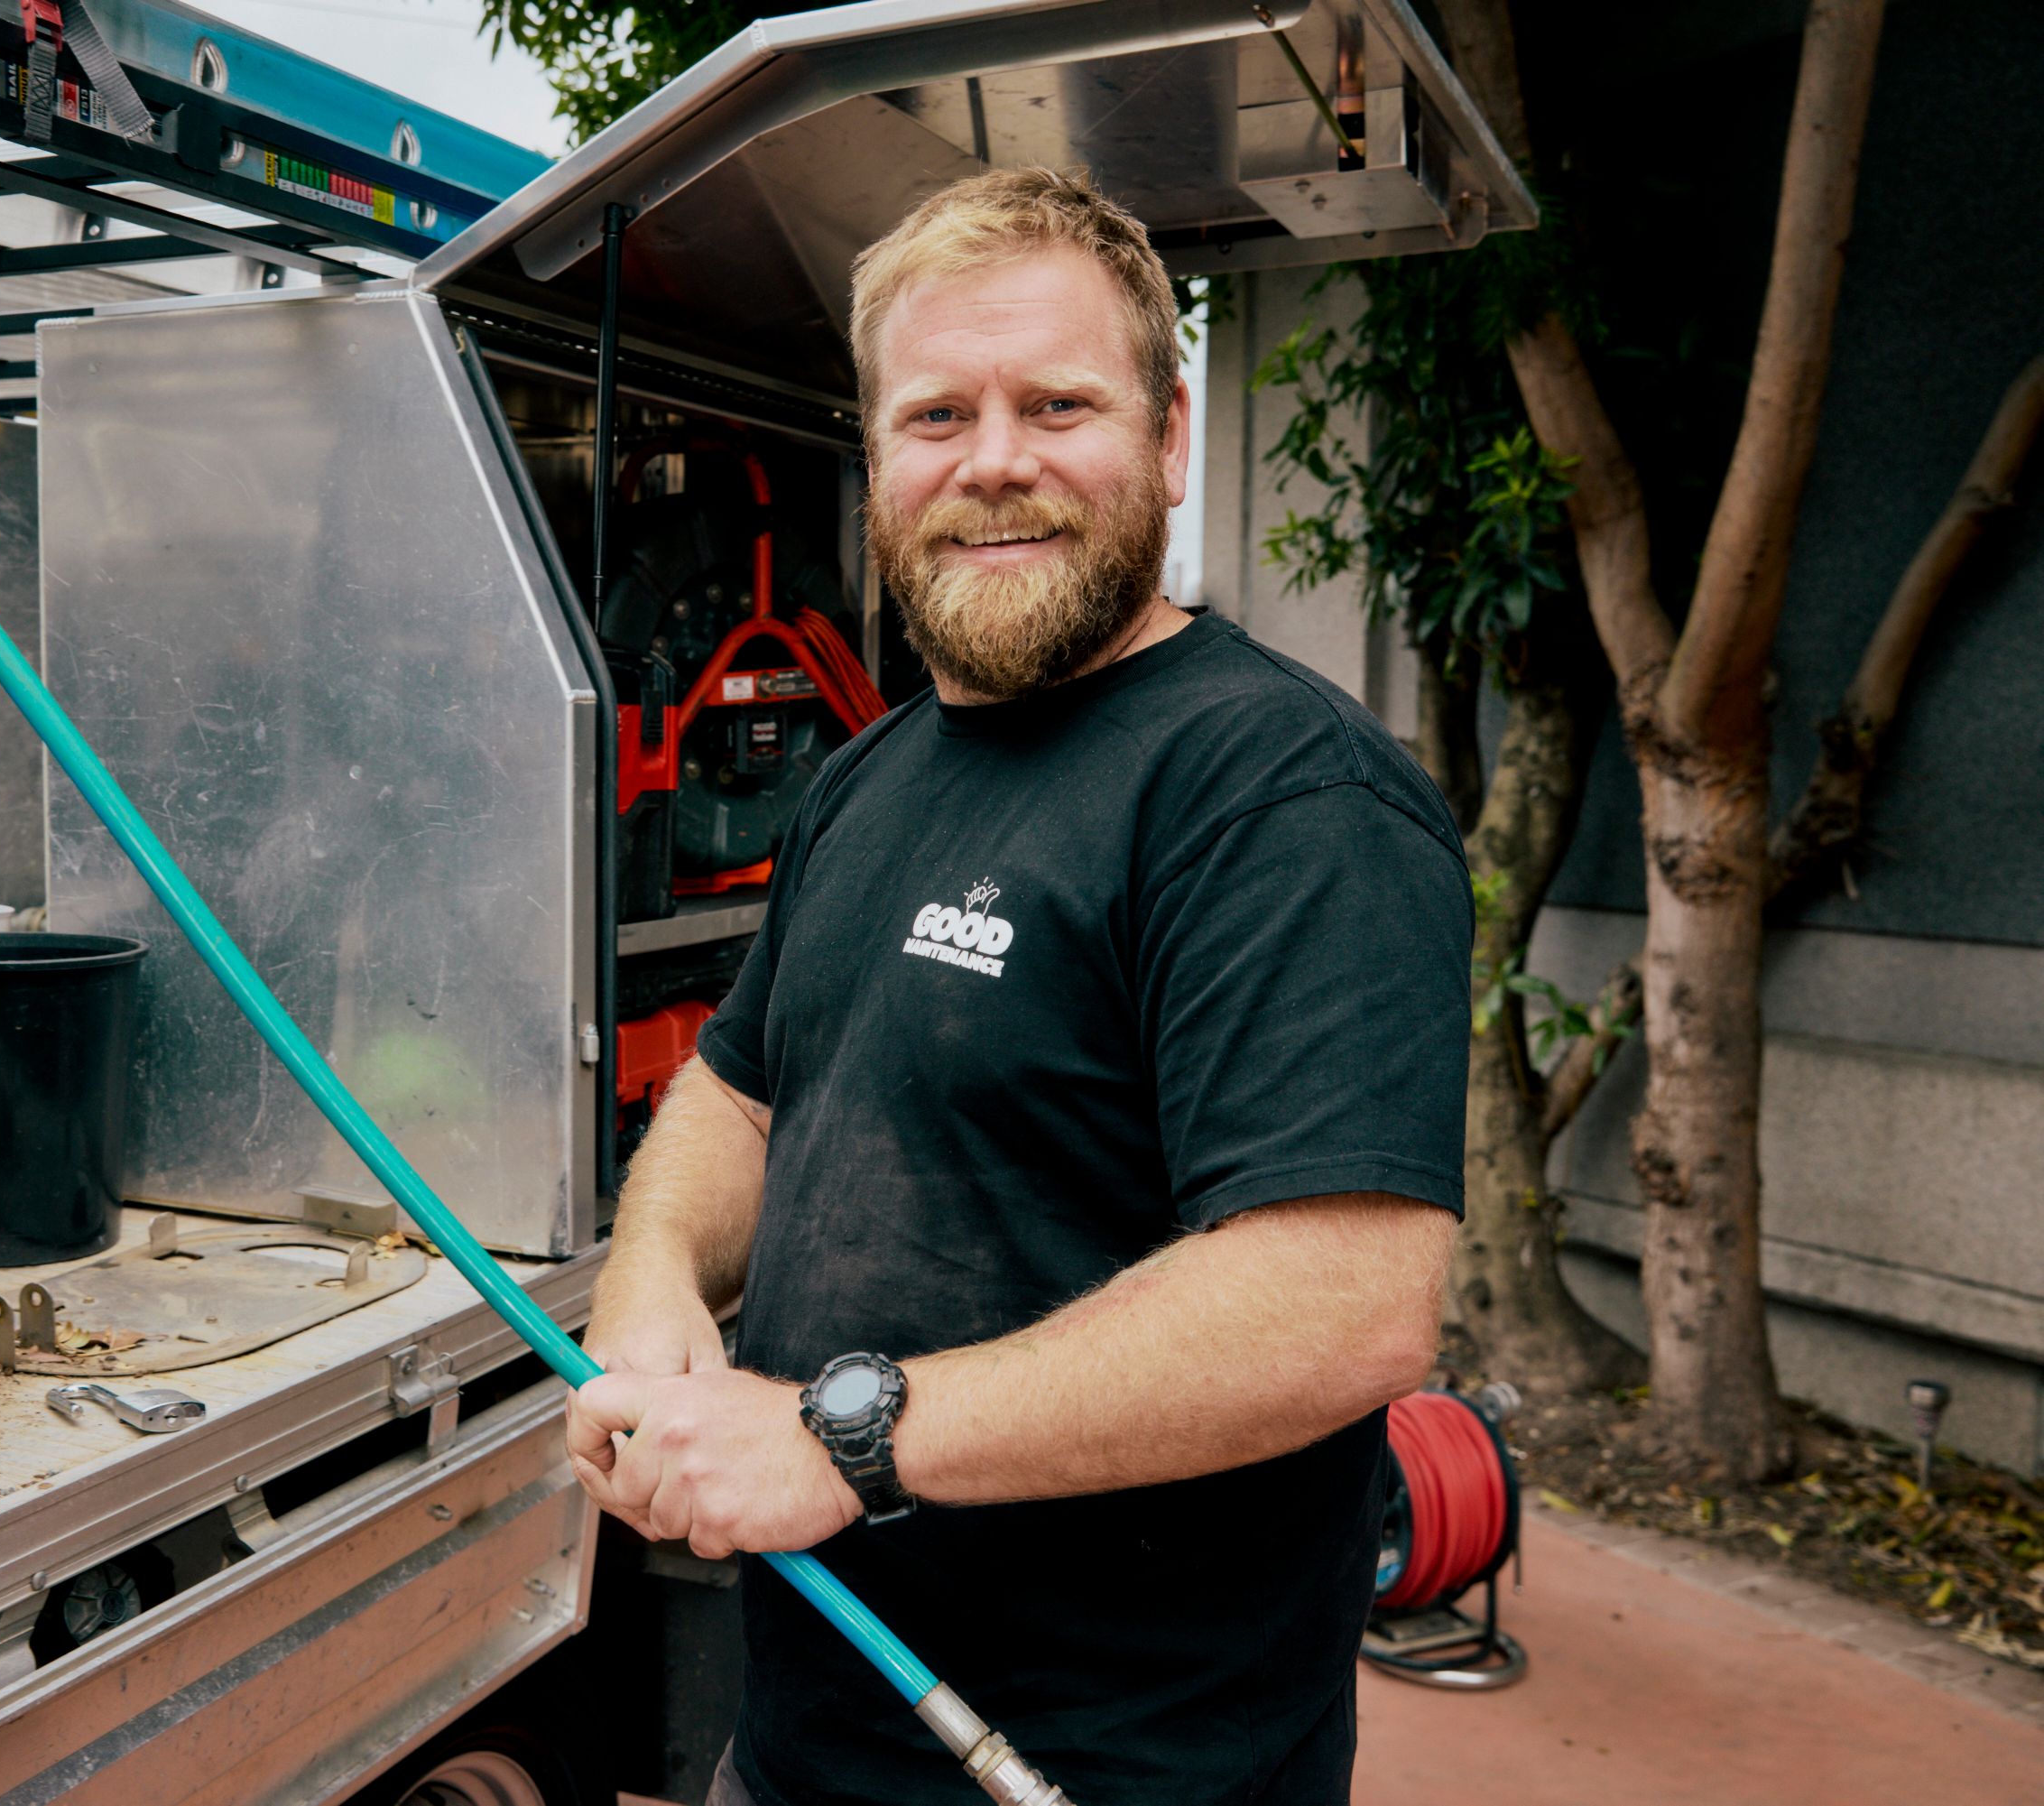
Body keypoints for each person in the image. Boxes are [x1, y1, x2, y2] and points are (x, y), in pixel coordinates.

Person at [565, 166, 1473, 1806]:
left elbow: (1343, 1302)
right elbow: (739, 1089)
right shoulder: (872, 775)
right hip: (801, 1750)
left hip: (1105, 1773)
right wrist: (650, 1294)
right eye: (936, 415)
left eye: (1057, 403)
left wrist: (839, 1438)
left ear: (1171, 436)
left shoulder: (1278, 794)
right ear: (877, 454)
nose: (994, 462)